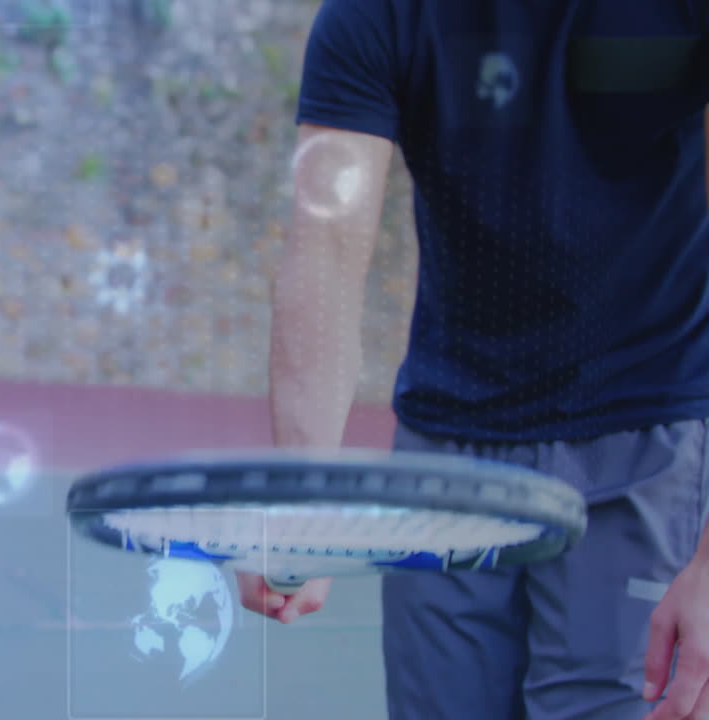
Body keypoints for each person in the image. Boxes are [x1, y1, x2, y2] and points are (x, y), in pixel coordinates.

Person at [236, 2, 709, 719]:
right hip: (448, 457)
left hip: (646, 434)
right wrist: (304, 493)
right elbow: (326, 249)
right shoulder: (377, 14)